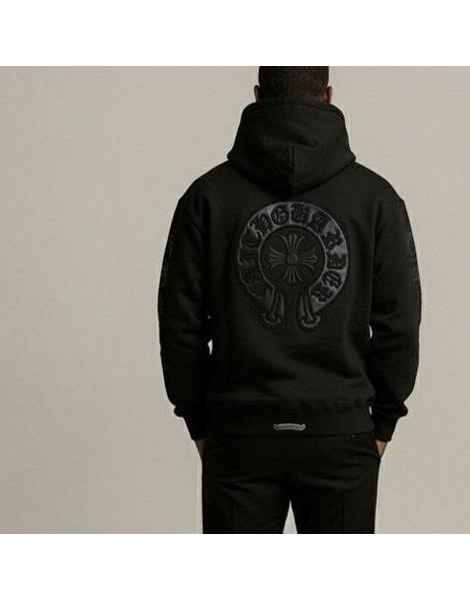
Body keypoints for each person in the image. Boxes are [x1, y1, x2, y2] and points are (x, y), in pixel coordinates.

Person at [157, 66, 422, 533]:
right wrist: (382, 422)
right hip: (341, 434)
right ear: (328, 95)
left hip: (239, 435)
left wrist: (199, 419)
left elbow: (180, 324)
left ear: (257, 95)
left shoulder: (207, 197)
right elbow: (399, 323)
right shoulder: (376, 199)